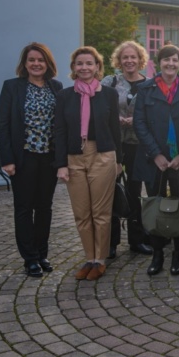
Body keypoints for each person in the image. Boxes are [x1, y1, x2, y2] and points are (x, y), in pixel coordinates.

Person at [55, 46, 122, 281]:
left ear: (97, 67)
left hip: (103, 155)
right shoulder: (64, 96)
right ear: (74, 68)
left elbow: (116, 130)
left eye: (89, 63)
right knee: (82, 213)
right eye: (79, 64)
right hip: (74, 156)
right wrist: (61, 164)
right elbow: (60, 132)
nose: (84, 67)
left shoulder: (109, 94)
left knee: (101, 212)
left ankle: (100, 260)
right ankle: (89, 257)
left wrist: (119, 161)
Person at [0, 43, 63, 277]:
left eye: (41, 60)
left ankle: (42, 253)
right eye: (31, 59)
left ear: (48, 63)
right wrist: (7, 159)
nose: (36, 63)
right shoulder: (12, 87)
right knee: (24, 208)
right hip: (23, 157)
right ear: (24, 64)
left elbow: (61, 125)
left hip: (48, 158)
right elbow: (3, 125)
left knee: (44, 208)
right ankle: (30, 259)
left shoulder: (56, 87)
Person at [133, 44, 179, 276]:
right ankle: (158, 254)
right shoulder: (145, 89)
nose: (171, 64)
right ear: (158, 63)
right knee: (154, 205)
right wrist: (156, 154)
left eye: (175, 60)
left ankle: (178, 253)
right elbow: (139, 123)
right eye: (166, 60)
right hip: (153, 159)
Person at [102, 41, 153, 259]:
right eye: (125, 57)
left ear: (140, 60)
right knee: (111, 192)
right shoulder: (110, 82)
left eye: (133, 57)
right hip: (113, 146)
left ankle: (137, 240)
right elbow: (100, 110)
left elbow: (154, 114)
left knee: (133, 192)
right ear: (119, 61)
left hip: (137, 146)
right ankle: (111, 243)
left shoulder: (150, 84)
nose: (129, 61)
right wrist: (116, 119)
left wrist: (137, 120)